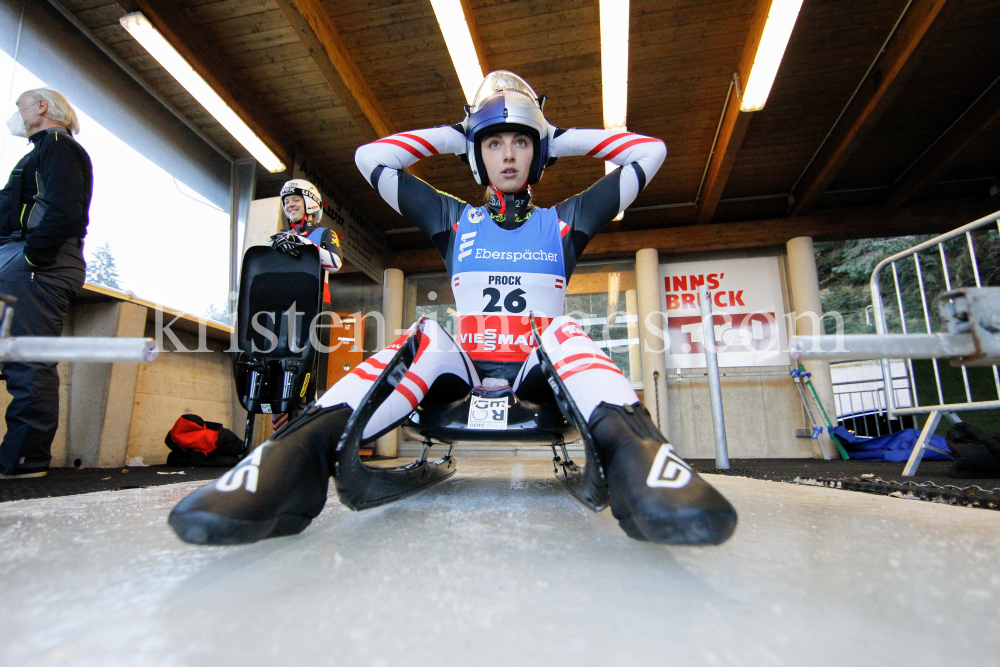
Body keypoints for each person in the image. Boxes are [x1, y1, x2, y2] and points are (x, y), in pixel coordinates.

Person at [170, 71, 737, 546]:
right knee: (424, 333)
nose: (508, 154)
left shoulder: (566, 220)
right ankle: (292, 459)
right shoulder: (452, 219)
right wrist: (462, 130)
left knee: (565, 331)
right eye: (494, 143)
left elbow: (649, 152)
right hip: (462, 375)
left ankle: (642, 459)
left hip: (540, 378)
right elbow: (372, 158)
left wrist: (554, 136)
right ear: (478, 154)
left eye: (521, 142)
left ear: (536, 152)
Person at [0, 89, 91, 479]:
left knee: (28, 362)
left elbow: (63, 209)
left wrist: (34, 258)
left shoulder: (58, 147)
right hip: (23, 259)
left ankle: (25, 460)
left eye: (20, 106)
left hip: (42, 263)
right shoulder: (40, 151)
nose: (15, 114)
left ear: (41, 107)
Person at [266, 178, 343, 430]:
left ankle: (303, 429)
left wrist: (304, 244)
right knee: (277, 367)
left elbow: (335, 263)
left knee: (307, 369)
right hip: (282, 308)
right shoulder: (279, 238)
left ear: (310, 203)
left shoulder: (324, 234)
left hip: (315, 305)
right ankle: (280, 432)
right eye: (286, 202)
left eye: (295, 200)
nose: (290, 205)